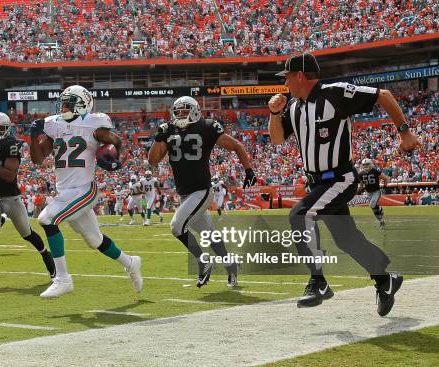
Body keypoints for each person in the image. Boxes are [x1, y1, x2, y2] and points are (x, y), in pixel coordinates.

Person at [268, 52, 419, 316]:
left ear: (301, 76)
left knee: (300, 215)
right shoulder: (294, 106)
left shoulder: (334, 93)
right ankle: (386, 281)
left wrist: (404, 132)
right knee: (347, 240)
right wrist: (273, 113)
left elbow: (383, 95)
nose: (286, 83)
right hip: (318, 183)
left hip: (340, 177)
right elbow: (277, 140)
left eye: (288, 77)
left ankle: (318, 282)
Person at [29, 85, 142, 298]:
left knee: (47, 219)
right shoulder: (55, 126)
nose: (63, 106)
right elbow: (37, 158)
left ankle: (63, 279)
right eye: (63, 102)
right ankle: (130, 262)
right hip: (65, 192)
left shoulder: (93, 124)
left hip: (84, 189)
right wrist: (33, 136)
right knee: (94, 240)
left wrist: (119, 160)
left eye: (68, 102)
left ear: (82, 104)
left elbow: (117, 142)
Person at [149, 96, 256, 288]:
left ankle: (203, 261)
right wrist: (158, 137)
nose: (180, 115)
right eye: (177, 111)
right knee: (211, 236)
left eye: (184, 111)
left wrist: (248, 170)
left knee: (176, 226)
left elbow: (236, 145)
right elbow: (153, 160)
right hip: (185, 194)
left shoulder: (206, 126)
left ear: (195, 111)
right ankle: (231, 266)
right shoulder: (169, 130)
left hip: (202, 190)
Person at [0, 112, 55, 280]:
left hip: (11, 198)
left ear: (7, 129)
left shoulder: (12, 144)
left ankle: (47, 256)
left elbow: (10, 175)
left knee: (27, 234)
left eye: (0, 128)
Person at [358, 159, 389, 228]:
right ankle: (381, 221)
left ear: (370, 164)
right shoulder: (360, 173)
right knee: (373, 208)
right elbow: (361, 185)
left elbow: (385, 178)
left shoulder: (375, 171)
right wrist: (358, 190)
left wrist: (385, 187)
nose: (366, 166)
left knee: (372, 204)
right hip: (368, 192)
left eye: (367, 164)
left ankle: (380, 209)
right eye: (364, 165)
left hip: (376, 191)